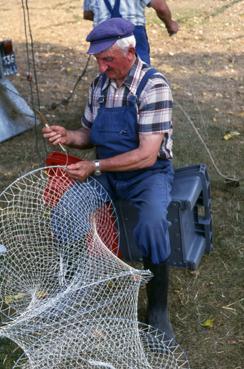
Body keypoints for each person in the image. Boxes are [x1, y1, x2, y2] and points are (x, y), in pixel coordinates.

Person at [43, 17, 175, 339]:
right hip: (105, 173)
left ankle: (157, 311)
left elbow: (146, 154)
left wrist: (96, 167)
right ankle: (73, 292)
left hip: (148, 175)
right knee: (66, 211)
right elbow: (90, 133)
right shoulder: (100, 86)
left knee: (151, 224)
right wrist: (70, 136)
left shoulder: (153, 86)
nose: (102, 67)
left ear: (129, 52)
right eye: (98, 60)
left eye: (107, 59)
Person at [83, 0, 179, 64]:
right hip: (132, 33)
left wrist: (106, 20)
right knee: (140, 70)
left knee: (108, 69)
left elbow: (87, 14)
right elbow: (160, 7)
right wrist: (170, 24)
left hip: (103, 34)